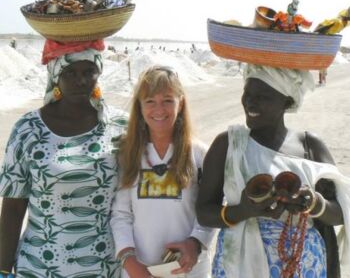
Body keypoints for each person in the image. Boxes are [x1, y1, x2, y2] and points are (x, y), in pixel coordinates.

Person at [196, 64, 350, 278]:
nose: (250, 102)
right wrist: (242, 211)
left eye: (262, 96)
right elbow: (204, 212)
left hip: (303, 266)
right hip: (240, 267)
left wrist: (314, 203)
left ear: (287, 100)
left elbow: (341, 213)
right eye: (247, 94)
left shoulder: (310, 146)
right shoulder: (228, 144)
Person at [0, 39, 127, 277]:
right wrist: (3, 268)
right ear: (55, 75)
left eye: (89, 72)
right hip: (39, 266)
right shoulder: (27, 129)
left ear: (98, 74)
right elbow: (14, 205)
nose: (80, 80)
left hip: (103, 267)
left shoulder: (120, 125)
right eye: (70, 72)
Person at [110, 65, 215, 278]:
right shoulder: (127, 155)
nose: (159, 110)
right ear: (139, 107)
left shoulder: (199, 154)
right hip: (139, 270)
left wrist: (195, 243)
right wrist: (130, 263)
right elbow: (121, 215)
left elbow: (210, 211)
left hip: (189, 270)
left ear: (181, 102)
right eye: (150, 101)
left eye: (168, 100)